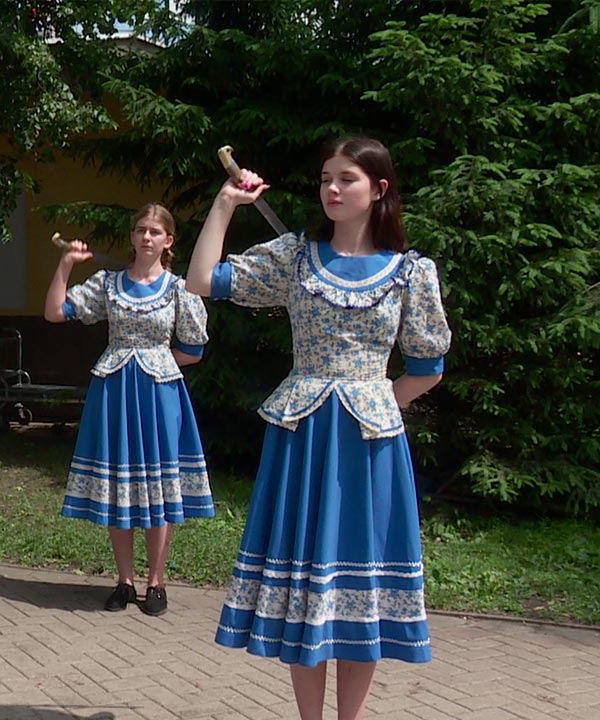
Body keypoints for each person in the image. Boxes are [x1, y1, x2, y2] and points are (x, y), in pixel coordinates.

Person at [186, 137, 451, 720]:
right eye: (325, 178)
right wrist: (226, 203)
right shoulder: (294, 257)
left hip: (369, 449)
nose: (331, 189)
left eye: (346, 179)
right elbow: (203, 281)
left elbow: (428, 367)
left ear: (379, 190)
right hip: (304, 440)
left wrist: (378, 404)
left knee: (363, 598)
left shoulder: (411, 272)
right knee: (307, 594)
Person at [44, 203, 214, 617]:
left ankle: (156, 582)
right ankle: (124, 581)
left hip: (158, 393)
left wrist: (156, 360)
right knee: (120, 485)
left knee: (158, 486)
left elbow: (194, 348)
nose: (146, 237)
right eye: (140, 230)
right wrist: (66, 265)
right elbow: (54, 312)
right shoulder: (108, 283)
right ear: (132, 237)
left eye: (155, 231)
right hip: (115, 392)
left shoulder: (179, 289)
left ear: (168, 241)